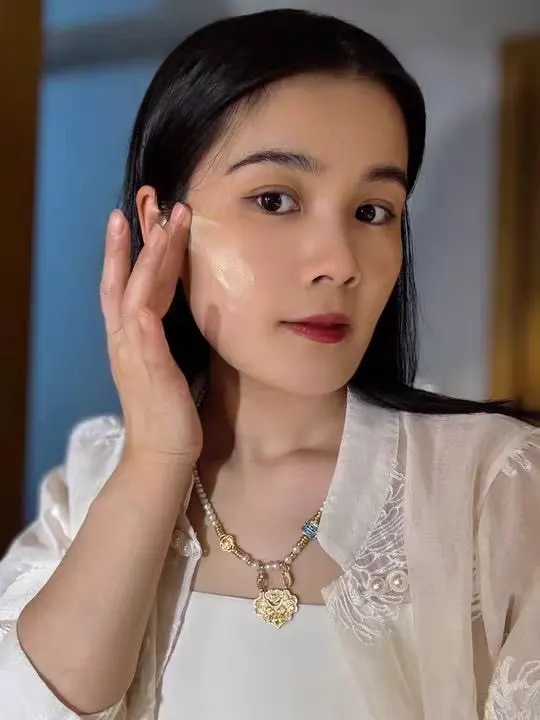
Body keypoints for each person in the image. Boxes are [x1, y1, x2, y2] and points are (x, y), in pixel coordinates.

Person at [0, 8, 539, 719]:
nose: (339, 263)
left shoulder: (498, 486)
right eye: (275, 200)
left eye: (373, 211)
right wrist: (157, 457)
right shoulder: (93, 479)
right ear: (160, 223)